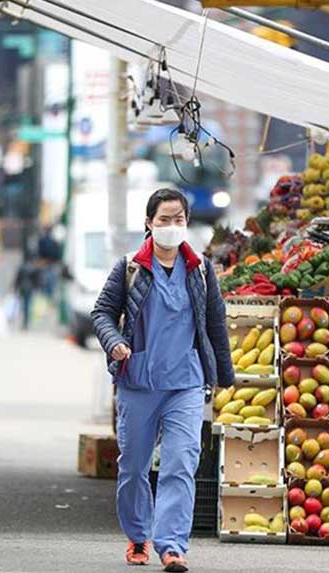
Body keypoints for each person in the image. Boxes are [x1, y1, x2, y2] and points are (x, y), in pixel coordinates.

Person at [91, 188, 234, 572]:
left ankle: (172, 546)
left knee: (180, 463)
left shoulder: (201, 270)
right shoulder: (130, 267)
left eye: (179, 219)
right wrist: (115, 342)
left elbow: (215, 325)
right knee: (134, 466)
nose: (173, 227)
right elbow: (102, 312)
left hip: (185, 384)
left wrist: (223, 375)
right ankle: (139, 534)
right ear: (149, 224)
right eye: (165, 220)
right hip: (138, 381)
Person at [14, 257, 41, 331]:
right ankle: (26, 322)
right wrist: (37, 287)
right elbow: (37, 280)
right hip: (30, 289)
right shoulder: (34, 268)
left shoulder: (22, 267)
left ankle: (24, 322)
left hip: (22, 288)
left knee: (23, 305)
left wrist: (15, 288)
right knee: (28, 305)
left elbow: (17, 279)